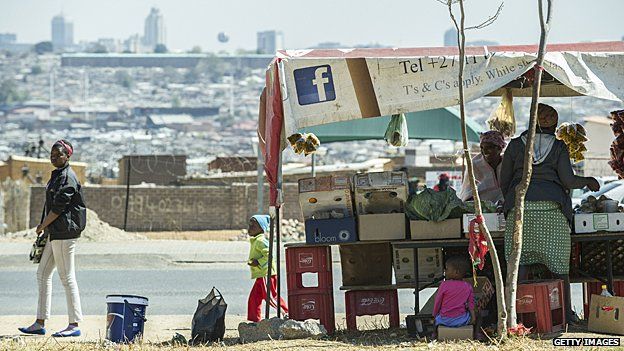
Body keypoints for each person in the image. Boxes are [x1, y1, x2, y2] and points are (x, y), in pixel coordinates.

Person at [500, 103, 600, 323]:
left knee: (519, 266)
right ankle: (565, 314)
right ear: (554, 124)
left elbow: (504, 179)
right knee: (559, 267)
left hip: (520, 210)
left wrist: (514, 196)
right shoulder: (558, 146)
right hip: (551, 213)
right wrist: (589, 181)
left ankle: (517, 314)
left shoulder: (516, 145)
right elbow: (568, 180)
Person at [19, 140, 87, 337]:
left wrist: (42, 225)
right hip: (55, 232)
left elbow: (58, 208)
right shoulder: (57, 175)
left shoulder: (68, 177)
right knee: (42, 274)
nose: (54, 157)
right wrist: (45, 227)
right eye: (52, 155)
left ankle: (74, 325)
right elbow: (50, 205)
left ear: (68, 156)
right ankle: (40, 322)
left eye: (58, 155)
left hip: (65, 233)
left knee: (67, 278)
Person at [246, 215, 288, 322]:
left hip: (266, 274)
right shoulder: (255, 240)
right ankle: (255, 320)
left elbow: (269, 255)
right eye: (249, 225)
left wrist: (258, 262)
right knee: (254, 298)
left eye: (253, 226)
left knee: (270, 297)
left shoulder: (260, 241)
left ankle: (286, 312)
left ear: (261, 229)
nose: (249, 228)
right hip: (261, 275)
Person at [458, 130, 506, 204]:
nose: (485, 151)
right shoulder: (475, 164)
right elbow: (467, 192)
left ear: (499, 148)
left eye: (489, 147)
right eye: (482, 148)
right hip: (480, 208)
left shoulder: (507, 162)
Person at [432, 256, 475, 333]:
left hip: (444, 320)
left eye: (447, 269)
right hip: (461, 320)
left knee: (435, 322)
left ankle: (434, 334)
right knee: (480, 315)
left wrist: (434, 315)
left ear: (456, 272)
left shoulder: (444, 285)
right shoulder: (468, 286)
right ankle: (477, 333)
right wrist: (473, 318)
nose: (445, 271)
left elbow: (437, 302)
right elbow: (471, 305)